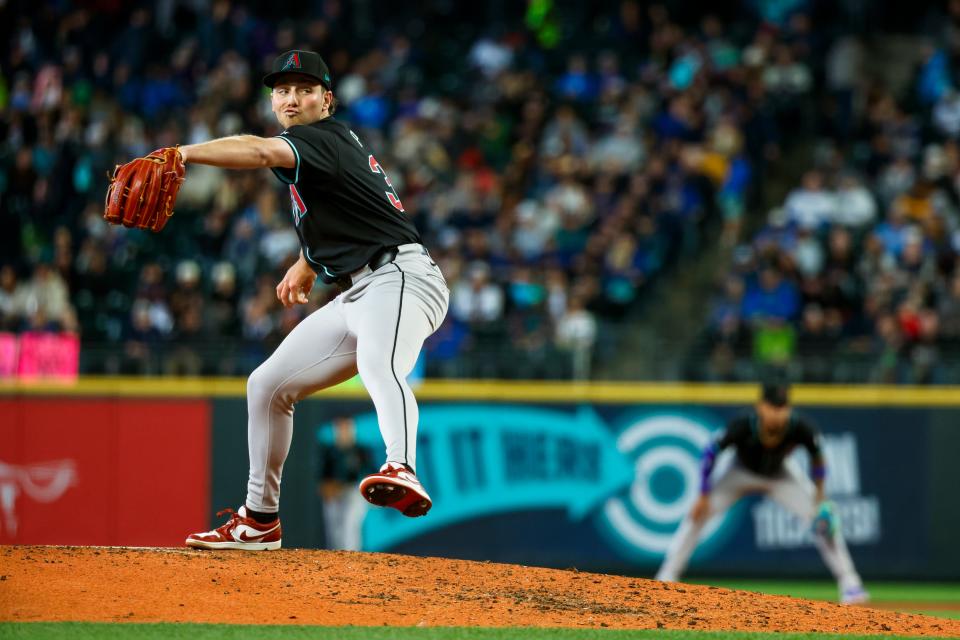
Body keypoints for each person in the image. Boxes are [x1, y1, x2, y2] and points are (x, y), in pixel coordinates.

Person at [183, 50, 449, 551]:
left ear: (325, 101)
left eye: (304, 89)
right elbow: (353, 211)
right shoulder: (324, 150)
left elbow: (259, 153)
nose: (291, 98)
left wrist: (182, 154)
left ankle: (402, 464)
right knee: (266, 385)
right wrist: (308, 261)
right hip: (362, 288)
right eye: (282, 90)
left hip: (400, 277)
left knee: (379, 360)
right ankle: (259, 518)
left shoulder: (319, 138)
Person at [655, 382, 869, 604]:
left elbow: (818, 459)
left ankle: (850, 584)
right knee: (697, 515)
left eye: (783, 407)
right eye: (773, 406)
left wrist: (820, 498)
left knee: (823, 520)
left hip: (781, 474)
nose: (778, 412)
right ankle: (667, 576)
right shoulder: (743, 425)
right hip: (739, 471)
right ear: (761, 406)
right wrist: (703, 495)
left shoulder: (800, 426)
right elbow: (710, 453)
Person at [317, 417, 371, 551]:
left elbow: (370, 474)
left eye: (346, 428)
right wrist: (327, 489)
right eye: (340, 428)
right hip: (334, 493)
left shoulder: (360, 451)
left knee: (349, 524)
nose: (343, 431)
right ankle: (336, 560)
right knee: (334, 529)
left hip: (354, 492)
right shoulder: (330, 452)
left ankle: (351, 558)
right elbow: (323, 479)